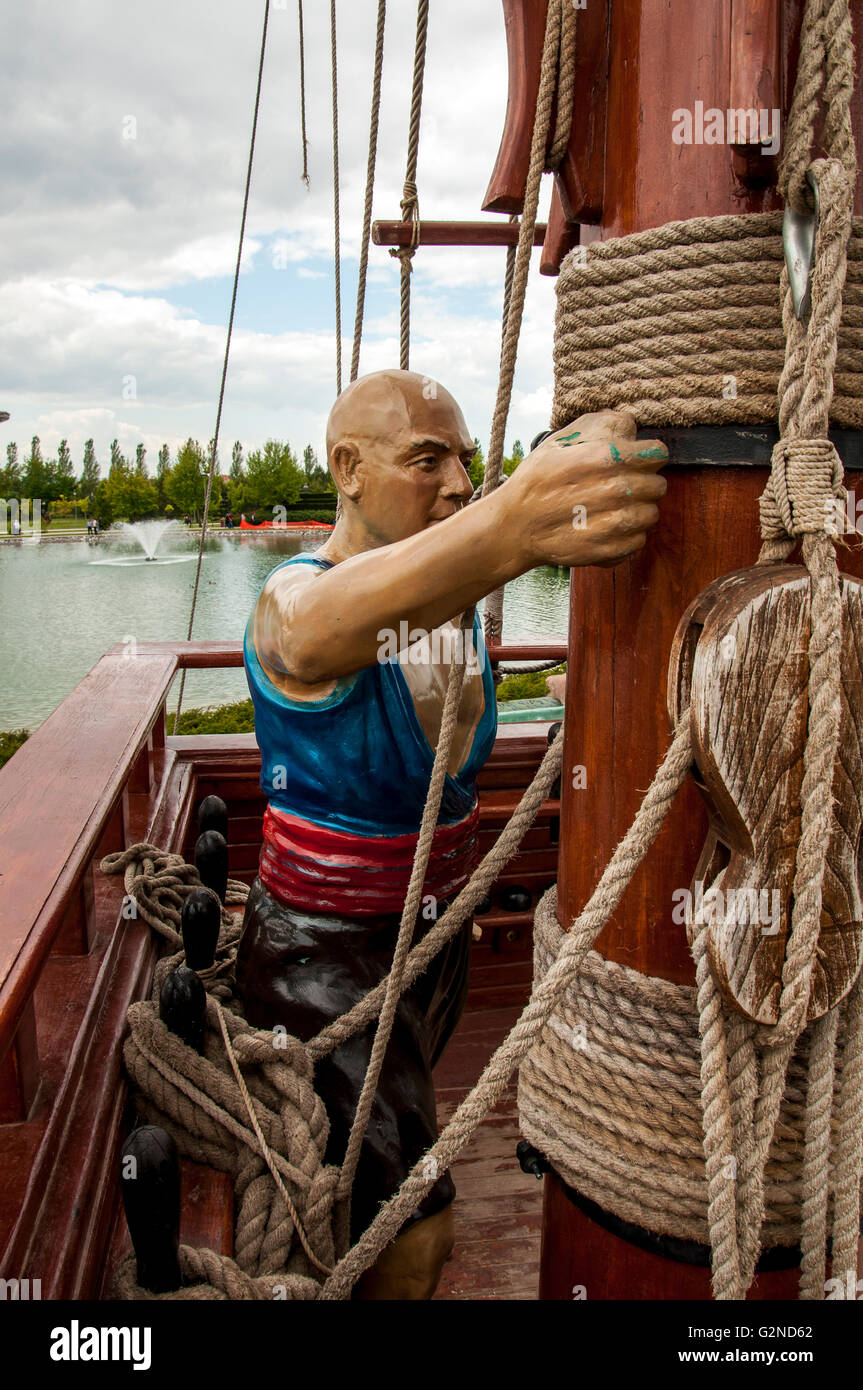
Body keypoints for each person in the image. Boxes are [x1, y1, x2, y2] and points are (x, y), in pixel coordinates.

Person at [235, 368, 667, 1298]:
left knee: (386, 1144)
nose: (459, 482)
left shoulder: (443, 603)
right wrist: (512, 527)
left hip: (434, 938)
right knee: (411, 1227)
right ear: (345, 468)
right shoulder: (296, 598)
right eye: (426, 459)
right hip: (323, 956)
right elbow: (310, 636)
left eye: (467, 461)